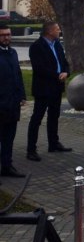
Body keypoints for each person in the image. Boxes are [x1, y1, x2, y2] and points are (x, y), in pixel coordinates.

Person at [27, 21, 71, 161]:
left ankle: (53, 143)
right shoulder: (36, 47)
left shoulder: (57, 44)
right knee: (37, 118)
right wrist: (57, 75)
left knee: (54, 116)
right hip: (43, 88)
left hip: (56, 87)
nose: (59, 31)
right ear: (50, 31)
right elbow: (39, 68)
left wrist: (66, 72)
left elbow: (64, 62)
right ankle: (31, 149)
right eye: (57, 29)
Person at [0, 24, 27, 177]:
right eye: (3, 35)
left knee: (9, 139)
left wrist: (22, 95)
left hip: (12, 104)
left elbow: (18, 74)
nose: (6, 37)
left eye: (8, 34)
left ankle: (7, 166)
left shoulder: (13, 53)